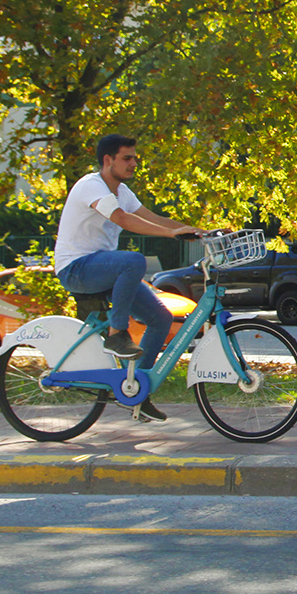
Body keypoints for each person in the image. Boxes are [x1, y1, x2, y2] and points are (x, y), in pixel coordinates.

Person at [53, 134, 201, 422]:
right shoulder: (90, 186)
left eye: (135, 157)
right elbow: (121, 219)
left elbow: (152, 218)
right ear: (108, 160)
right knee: (132, 259)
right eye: (127, 158)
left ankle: (137, 391)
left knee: (160, 317)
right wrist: (171, 234)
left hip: (103, 271)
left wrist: (195, 231)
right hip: (76, 269)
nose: (134, 163)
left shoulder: (122, 192)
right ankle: (117, 335)